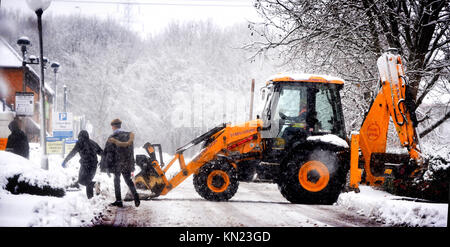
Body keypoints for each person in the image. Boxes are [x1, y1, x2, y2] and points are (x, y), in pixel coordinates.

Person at [101, 118, 140, 208]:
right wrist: (131, 163)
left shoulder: (112, 137)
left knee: (117, 180)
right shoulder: (129, 136)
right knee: (128, 180)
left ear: (114, 126)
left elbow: (109, 153)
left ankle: (119, 201)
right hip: (127, 162)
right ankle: (135, 195)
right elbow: (131, 151)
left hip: (117, 163)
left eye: (112, 127)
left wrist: (107, 165)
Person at [62, 130, 103, 199]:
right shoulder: (93, 143)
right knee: (88, 182)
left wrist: (65, 161)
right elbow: (102, 153)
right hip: (94, 165)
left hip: (85, 165)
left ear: (79, 136)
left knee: (82, 181)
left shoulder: (80, 143)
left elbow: (73, 153)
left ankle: (94, 187)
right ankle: (91, 197)